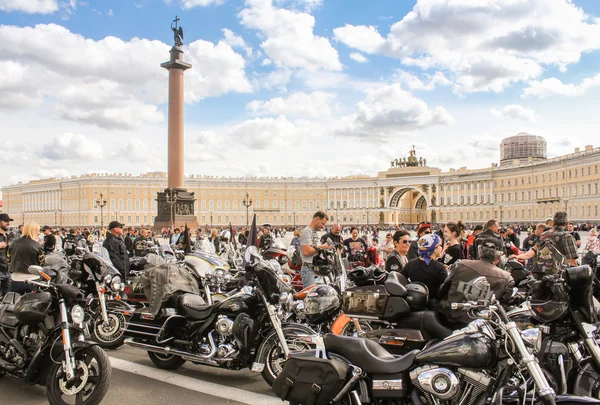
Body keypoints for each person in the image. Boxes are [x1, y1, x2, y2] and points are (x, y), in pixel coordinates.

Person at [439, 236, 515, 325]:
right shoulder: (506, 278)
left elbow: (443, 290)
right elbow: (502, 308)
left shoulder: (461, 264)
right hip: (483, 325)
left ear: (479, 252)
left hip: (452, 318)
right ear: (498, 258)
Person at [512, 211, 578, 267]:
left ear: (553, 222)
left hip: (542, 272)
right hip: (559, 277)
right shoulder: (567, 237)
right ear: (567, 223)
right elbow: (572, 262)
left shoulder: (545, 235)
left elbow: (533, 251)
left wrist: (518, 256)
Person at [400, 233, 447, 306]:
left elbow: (400, 279)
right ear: (433, 249)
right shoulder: (439, 268)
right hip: (433, 307)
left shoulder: (411, 264)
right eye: (440, 245)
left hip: (414, 304)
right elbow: (446, 289)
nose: (441, 247)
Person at [8, 222, 45, 295]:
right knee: (32, 304)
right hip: (32, 279)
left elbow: (9, 259)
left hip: (15, 278)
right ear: (33, 231)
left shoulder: (14, 243)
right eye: (38, 231)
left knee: (16, 304)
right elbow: (42, 262)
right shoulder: (36, 245)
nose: (38, 233)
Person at [300, 211, 332, 288]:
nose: (323, 227)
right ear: (317, 219)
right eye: (322, 224)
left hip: (316, 268)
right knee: (311, 296)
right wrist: (323, 247)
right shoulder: (307, 231)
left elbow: (315, 249)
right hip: (309, 269)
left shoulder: (314, 232)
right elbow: (306, 252)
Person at [0, 213, 14, 297]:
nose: (8, 223)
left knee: (7, 298)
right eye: (5, 221)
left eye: (9, 221)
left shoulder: (9, 236)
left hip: (8, 271)